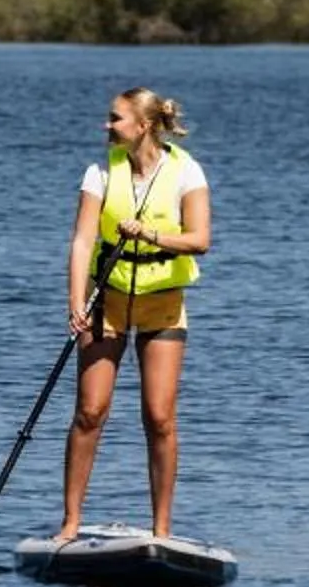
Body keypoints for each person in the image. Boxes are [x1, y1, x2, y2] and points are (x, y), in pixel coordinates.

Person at [53, 87, 212, 544]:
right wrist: (74, 303)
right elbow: (83, 241)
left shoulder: (186, 171)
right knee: (90, 411)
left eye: (115, 119)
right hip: (108, 301)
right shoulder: (101, 172)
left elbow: (200, 239)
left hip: (162, 302)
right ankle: (70, 523)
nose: (107, 126)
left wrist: (151, 234)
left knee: (159, 417)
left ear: (142, 126)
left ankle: (161, 530)